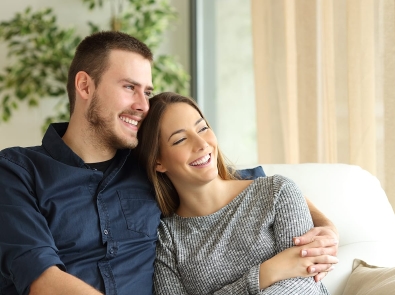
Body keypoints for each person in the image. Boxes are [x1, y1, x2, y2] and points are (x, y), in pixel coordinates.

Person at [0, 31, 337, 295]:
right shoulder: (17, 171)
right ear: (85, 85)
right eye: (129, 87)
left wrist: (326, 229)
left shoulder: (148, 165)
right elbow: (42, 280)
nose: (142, 105)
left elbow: (239, 183)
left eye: (146, 92)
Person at [136, 92, 337, 294]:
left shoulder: (277, 193)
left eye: (203, 128)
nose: (202, 144)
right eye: (180, 140)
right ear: (158, 161)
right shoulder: (167, 239)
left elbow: (304, 285)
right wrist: (264, 274)